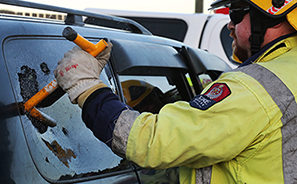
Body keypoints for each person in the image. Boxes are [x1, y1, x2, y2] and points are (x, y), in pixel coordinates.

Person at [54, 0, 297, 183]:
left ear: (270, 15)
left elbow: (150, 142)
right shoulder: (288, 72)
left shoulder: (257, 86)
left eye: (236, 12)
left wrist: (85, 87)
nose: (230, 25)